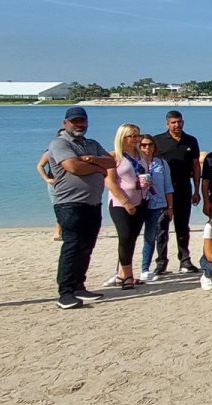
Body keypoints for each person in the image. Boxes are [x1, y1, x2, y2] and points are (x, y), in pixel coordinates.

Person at [48, 106, 117, 308]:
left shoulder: (91, 144)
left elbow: (111, 161)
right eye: (75, 121)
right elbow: (73, 167)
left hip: (92, 203)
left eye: (82, 121)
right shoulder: (59, 143)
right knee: (72, 245)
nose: (79, 124)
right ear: (65, 123)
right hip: (69, 203)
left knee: (87, 246)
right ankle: (65, 292)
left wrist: (94, 160)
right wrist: (98, 168)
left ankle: (79, 286)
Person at [153, 110, 201, 275]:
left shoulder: (191, 141)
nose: (177, 125)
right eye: (173, 122)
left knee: (183, 226)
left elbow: (196, 166)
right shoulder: (158, 141)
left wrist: (196, 190)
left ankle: (185, 260)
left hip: (183, 187)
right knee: (161, 226)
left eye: (179, 122)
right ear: (167, 124)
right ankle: (161, 262)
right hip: (163, 189)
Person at [102, 123, 148, 290]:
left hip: (140, 200)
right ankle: (127, 275)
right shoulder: (114, 156)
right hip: (120, 203)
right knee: (125, 237)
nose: (136, 139)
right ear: (123, 137)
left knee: (132, 239)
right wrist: (125, 202)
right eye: (132, 136)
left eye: (138, 135)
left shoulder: (141, 155)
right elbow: (110, 182)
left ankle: (123, 273)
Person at [134, 134, 172, 283]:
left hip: (157, 204)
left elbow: (168, 186)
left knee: (151, 236)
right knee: (128, 238)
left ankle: (145, 269)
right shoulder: (136, 162)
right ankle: (123, 271)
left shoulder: (161, 163)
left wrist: (170, 206)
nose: (147, 148)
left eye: (150, 145)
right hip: (139, 203)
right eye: (143, 145)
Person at [37, 146, 62, 240]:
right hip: (54, 183)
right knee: (59, 207)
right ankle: (58, 231)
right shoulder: (50, 152)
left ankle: (61, 231)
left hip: (70, 183)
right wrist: (46, 178)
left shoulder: (74, 151)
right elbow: (40, 166)